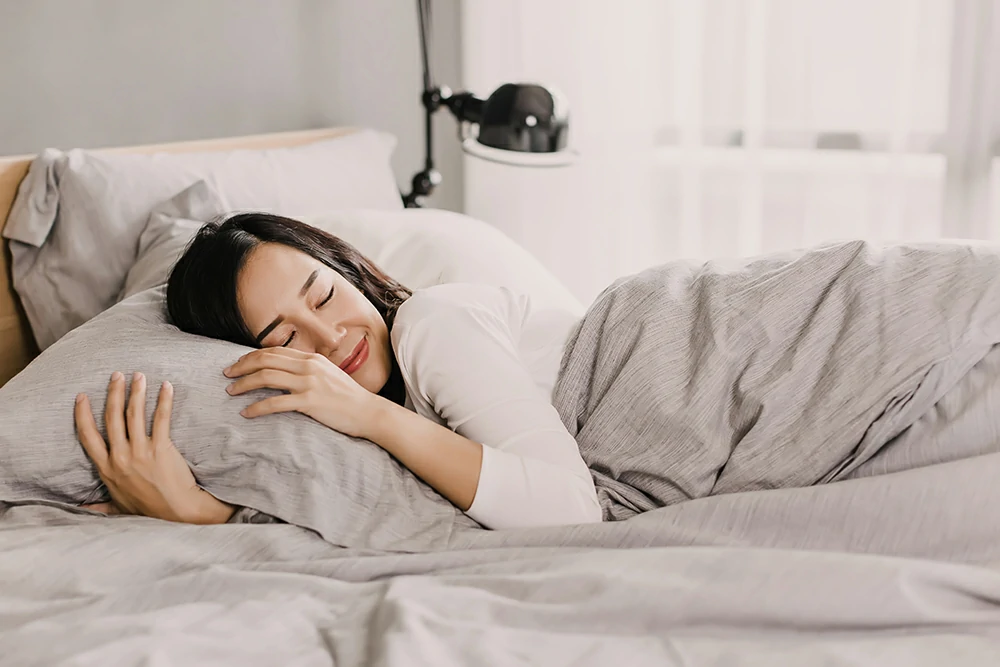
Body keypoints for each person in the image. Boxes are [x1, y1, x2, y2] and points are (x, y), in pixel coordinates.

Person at [73, 213, 603, 530]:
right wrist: (204, 514)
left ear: (348, 270)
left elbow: (571, 513)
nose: (331, 338)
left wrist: (368, 413)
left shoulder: (432, 322)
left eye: (324, 296)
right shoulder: (353, 438)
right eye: (284, 339)